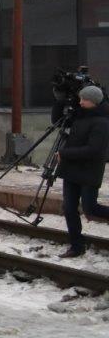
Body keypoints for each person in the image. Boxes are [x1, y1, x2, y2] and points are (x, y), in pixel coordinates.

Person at [54, 85, 109, 257]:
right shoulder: (79, 115)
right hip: (71, 170)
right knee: (69, 208)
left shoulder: (102, 122)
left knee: (90, 208)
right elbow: (56, 120)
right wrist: (60, 101)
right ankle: (77, 246)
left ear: (93, 101)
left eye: (84, 99)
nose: (80, 101)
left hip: (89, 171)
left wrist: (64, 153)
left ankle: (77, 245)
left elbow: (93, 149)